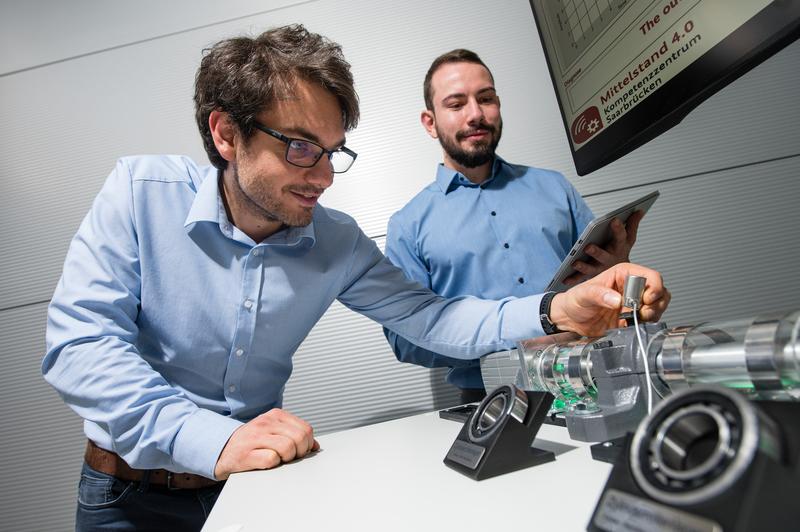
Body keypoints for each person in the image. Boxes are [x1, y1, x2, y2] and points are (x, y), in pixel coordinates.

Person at [43, 26, 669, 531]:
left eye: (332, 149)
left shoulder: (335, 238)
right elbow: (81, 347)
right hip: (126, 498)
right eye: (298, 146)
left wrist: (555, 311)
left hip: (253, 487)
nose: (322, 176)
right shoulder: (139, 193)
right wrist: (208, 440)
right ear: (225, 132)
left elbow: (433, 317)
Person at [383, 49, 644, 403]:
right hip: (487, 398)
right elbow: (405, 339)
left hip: (587, 380)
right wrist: (512, 337)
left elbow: (598, 283)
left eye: (486, 99)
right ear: (430, 122)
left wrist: (614, 270)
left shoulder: (555, 188)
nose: (476, 114)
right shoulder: (407, 226)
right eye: (457, 104)